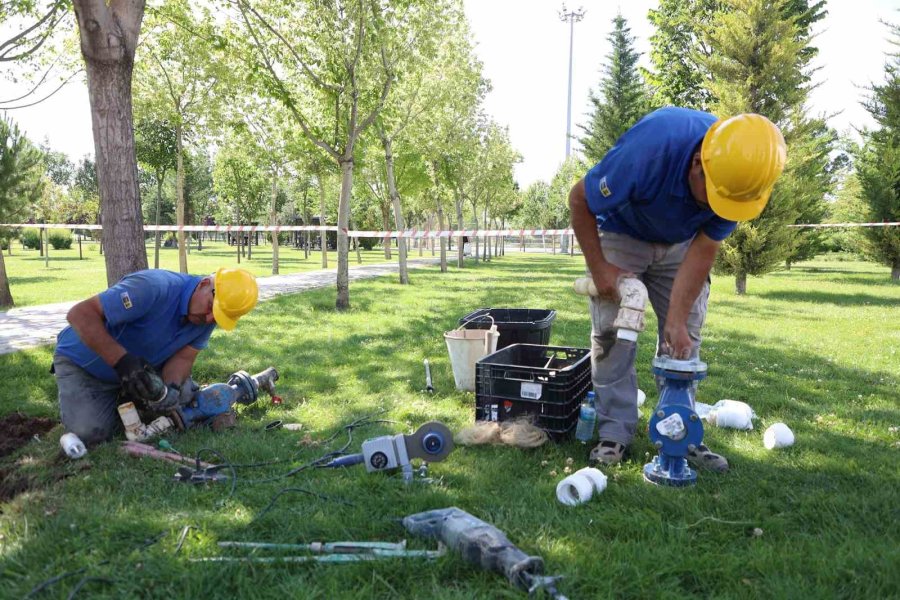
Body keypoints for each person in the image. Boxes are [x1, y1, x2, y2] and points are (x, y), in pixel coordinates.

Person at [569, 107, 786, 471]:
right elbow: (579, 200)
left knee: (684, 338)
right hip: (624, 231)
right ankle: (614, 432)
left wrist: (677, 319)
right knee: (611, 332)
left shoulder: (740, 182)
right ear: (699, 163)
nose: (717, 206)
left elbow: (704, 248)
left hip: (682, 244)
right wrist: (600, 269)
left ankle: (678, 430)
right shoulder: (651, 148)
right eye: (712, 195)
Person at [53, 267, 259, 444]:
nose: (208, 318)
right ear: (204, 284)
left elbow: (184, 358)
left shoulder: (206, 318)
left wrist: (172, 389)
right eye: (210, 308)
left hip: (139, 369)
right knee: (90, 433)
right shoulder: (153, 287)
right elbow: (79, 314)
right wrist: (122, 362)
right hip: (84, 364)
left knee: (183, 396)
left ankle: (129, 398)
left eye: (218, 317)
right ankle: (114, 400)